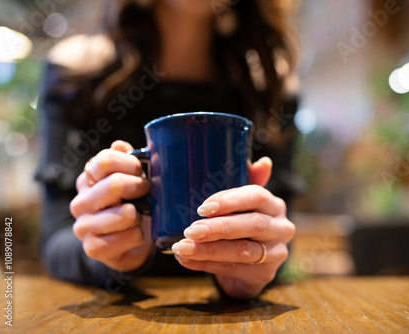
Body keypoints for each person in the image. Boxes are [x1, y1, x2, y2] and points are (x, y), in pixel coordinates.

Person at [36, 0, 299, 300]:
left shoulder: (270, 83)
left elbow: (281, 234)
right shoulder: (76, 72)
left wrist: (257, 264)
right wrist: (105, 254)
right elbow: (55, 238)